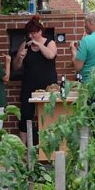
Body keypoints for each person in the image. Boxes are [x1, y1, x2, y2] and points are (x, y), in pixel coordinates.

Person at [12, 16, 57, 145]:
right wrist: (20, 58)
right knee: (26, 115)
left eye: (34, 33)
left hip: (48, 85)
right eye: (29, 33)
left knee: (48, 115)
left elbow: (50, 55)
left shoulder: (50, 43)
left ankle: (48, 145)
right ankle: (24, 147)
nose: (31, 36)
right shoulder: (24, 44)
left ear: (40, 31)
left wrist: (38, 45)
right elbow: (16, 67)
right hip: (29, 85)